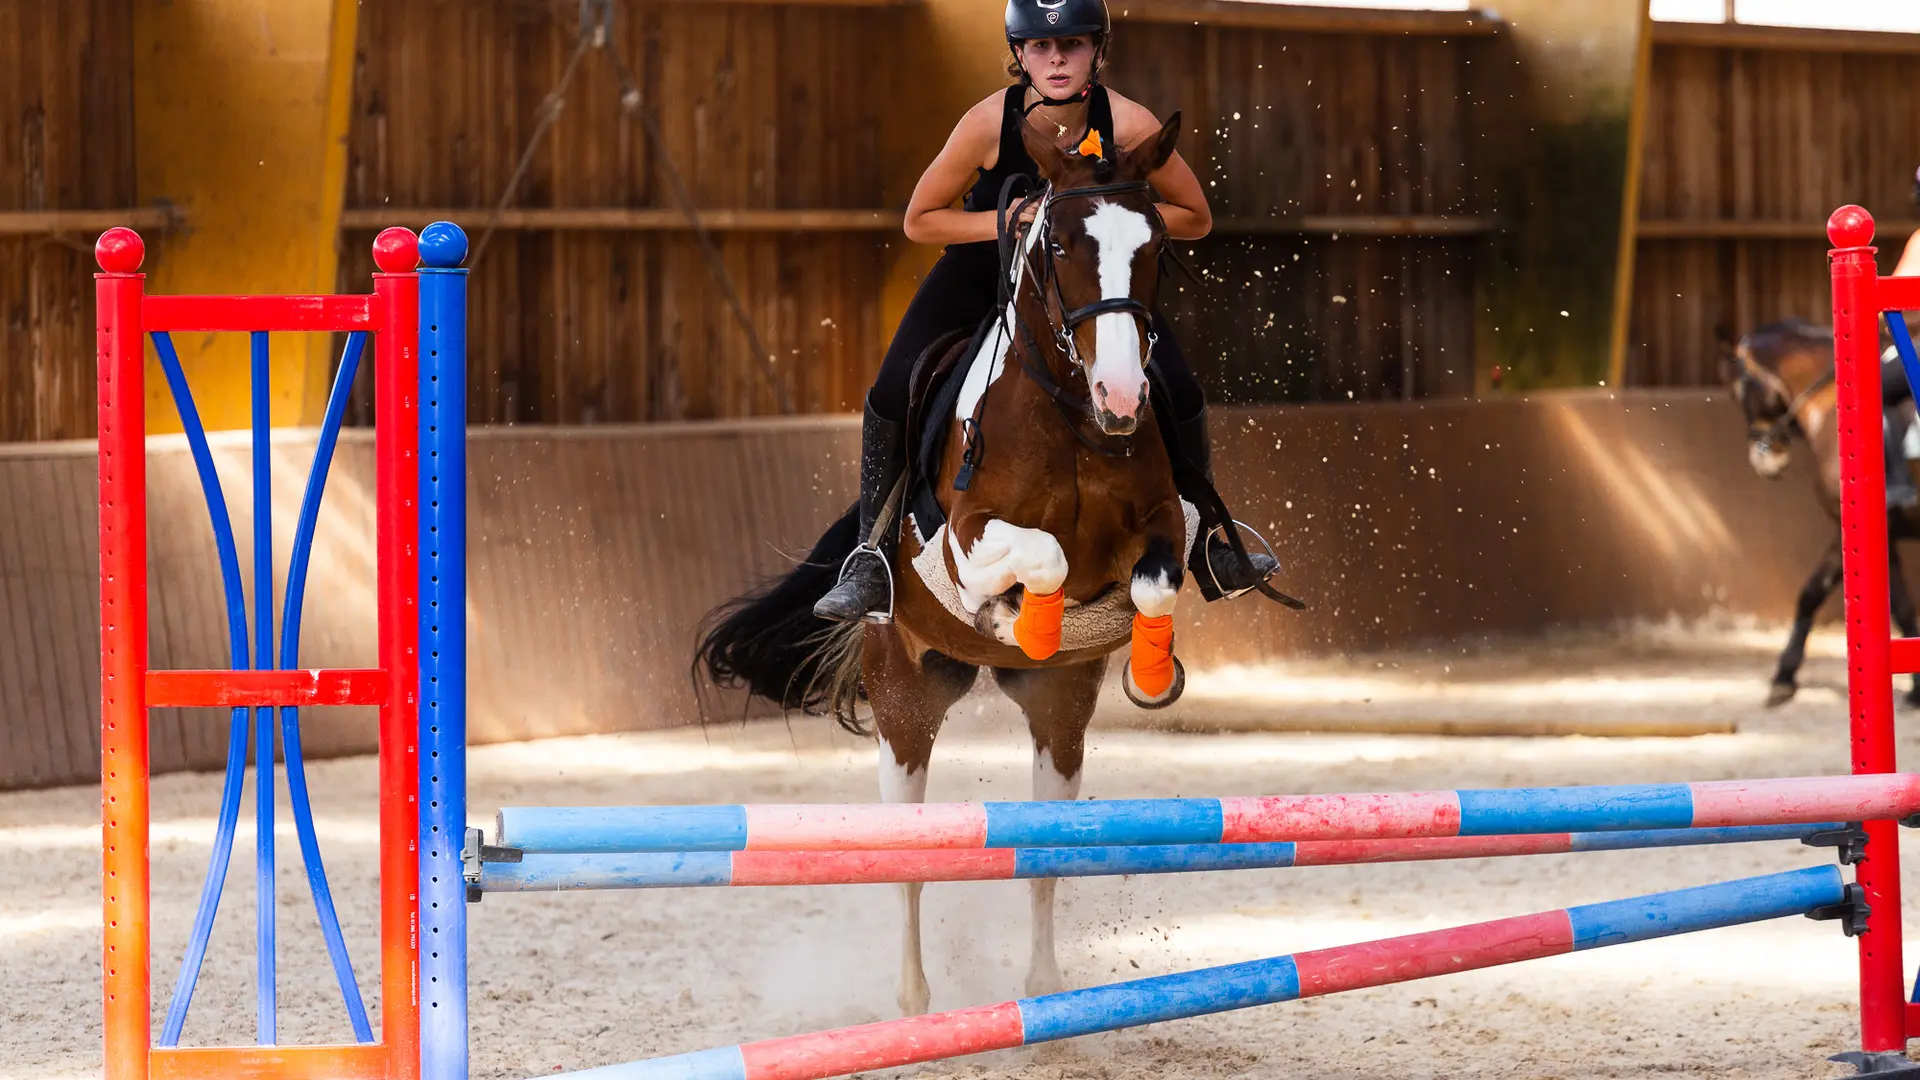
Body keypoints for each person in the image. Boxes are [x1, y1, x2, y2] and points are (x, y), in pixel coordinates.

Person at [812, 0, 1279, 622]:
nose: (1056, 60)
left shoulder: (1131, 121)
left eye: (1072, 46)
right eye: (1039, 48)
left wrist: (1109, 225)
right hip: (985, 268)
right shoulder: (986, 122)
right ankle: (870, 556)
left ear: (1098, 51)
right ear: (1019, 54)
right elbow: (920, 220)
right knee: (894, 386)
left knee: (1182, 389)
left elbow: (1197, 217)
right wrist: (1010, 221)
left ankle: (1211, 547)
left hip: (1091, 278)